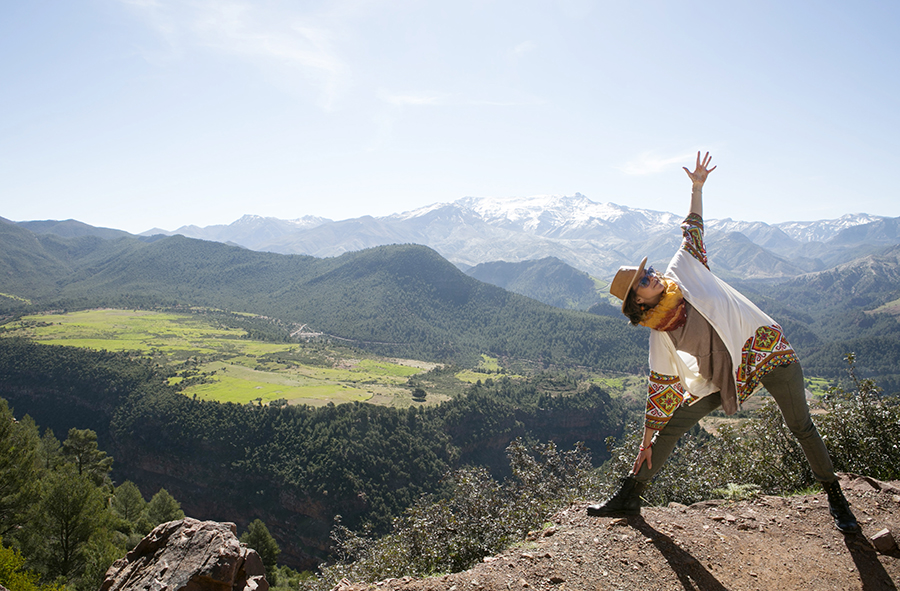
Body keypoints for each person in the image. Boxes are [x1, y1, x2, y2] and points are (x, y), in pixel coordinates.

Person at [587, 152, 859, 534]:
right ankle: (631, 494)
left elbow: (693, 230)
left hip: (765, 350)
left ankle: (836, 497)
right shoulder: (659, 332)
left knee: (800, 425)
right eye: (643, 282)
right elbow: (661, 391)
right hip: (725, 371)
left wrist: (696, 188)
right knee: (672, 425)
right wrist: (644, 442)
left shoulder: (683, 269)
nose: (651, 277)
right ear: (637, 303)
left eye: (647, 272)